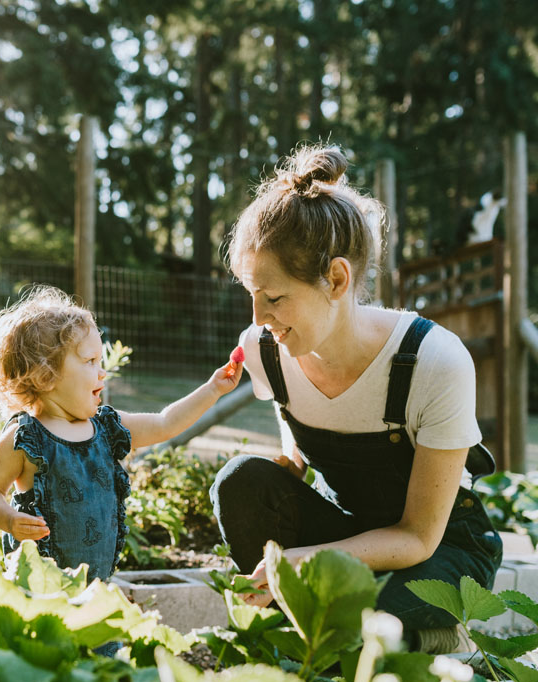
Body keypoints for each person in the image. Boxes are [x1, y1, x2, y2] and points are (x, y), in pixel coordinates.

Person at [209, 144, 502, 654]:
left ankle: (433, 635)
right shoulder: (267, 351)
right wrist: (286, 475)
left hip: (439, 553)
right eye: (251, 294)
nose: (258, 318)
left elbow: (416, 537)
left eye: (274, 298)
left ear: (337, 279)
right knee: (240, 481)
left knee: (361, 602)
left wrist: (315, 562)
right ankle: (323, 636)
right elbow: (297, 439)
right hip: (354, 532)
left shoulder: (434, 360)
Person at [0, 285, 242, 586]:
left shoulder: (106, 428)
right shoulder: (25, 438)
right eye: (90, 362)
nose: (102, 373)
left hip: (95, 585)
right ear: (44, 375)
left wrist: (213, 389)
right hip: (38, 586)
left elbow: (166, 423)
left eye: (101, 362)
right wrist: (9, 520)